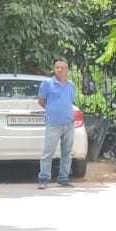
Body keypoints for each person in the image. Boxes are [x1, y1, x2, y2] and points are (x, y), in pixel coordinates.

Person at [37, 59, 75, 188]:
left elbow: (70, 101)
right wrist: (52, 110)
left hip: (69, 123)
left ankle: (63, 178)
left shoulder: (71, 85)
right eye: (57, 67)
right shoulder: (47, 84)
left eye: (62, 68)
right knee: (48, 152)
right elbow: (41, 101)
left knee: (67, 153)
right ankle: (43, 179)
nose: (59, 70)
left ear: (67, 70)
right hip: (53, 123)